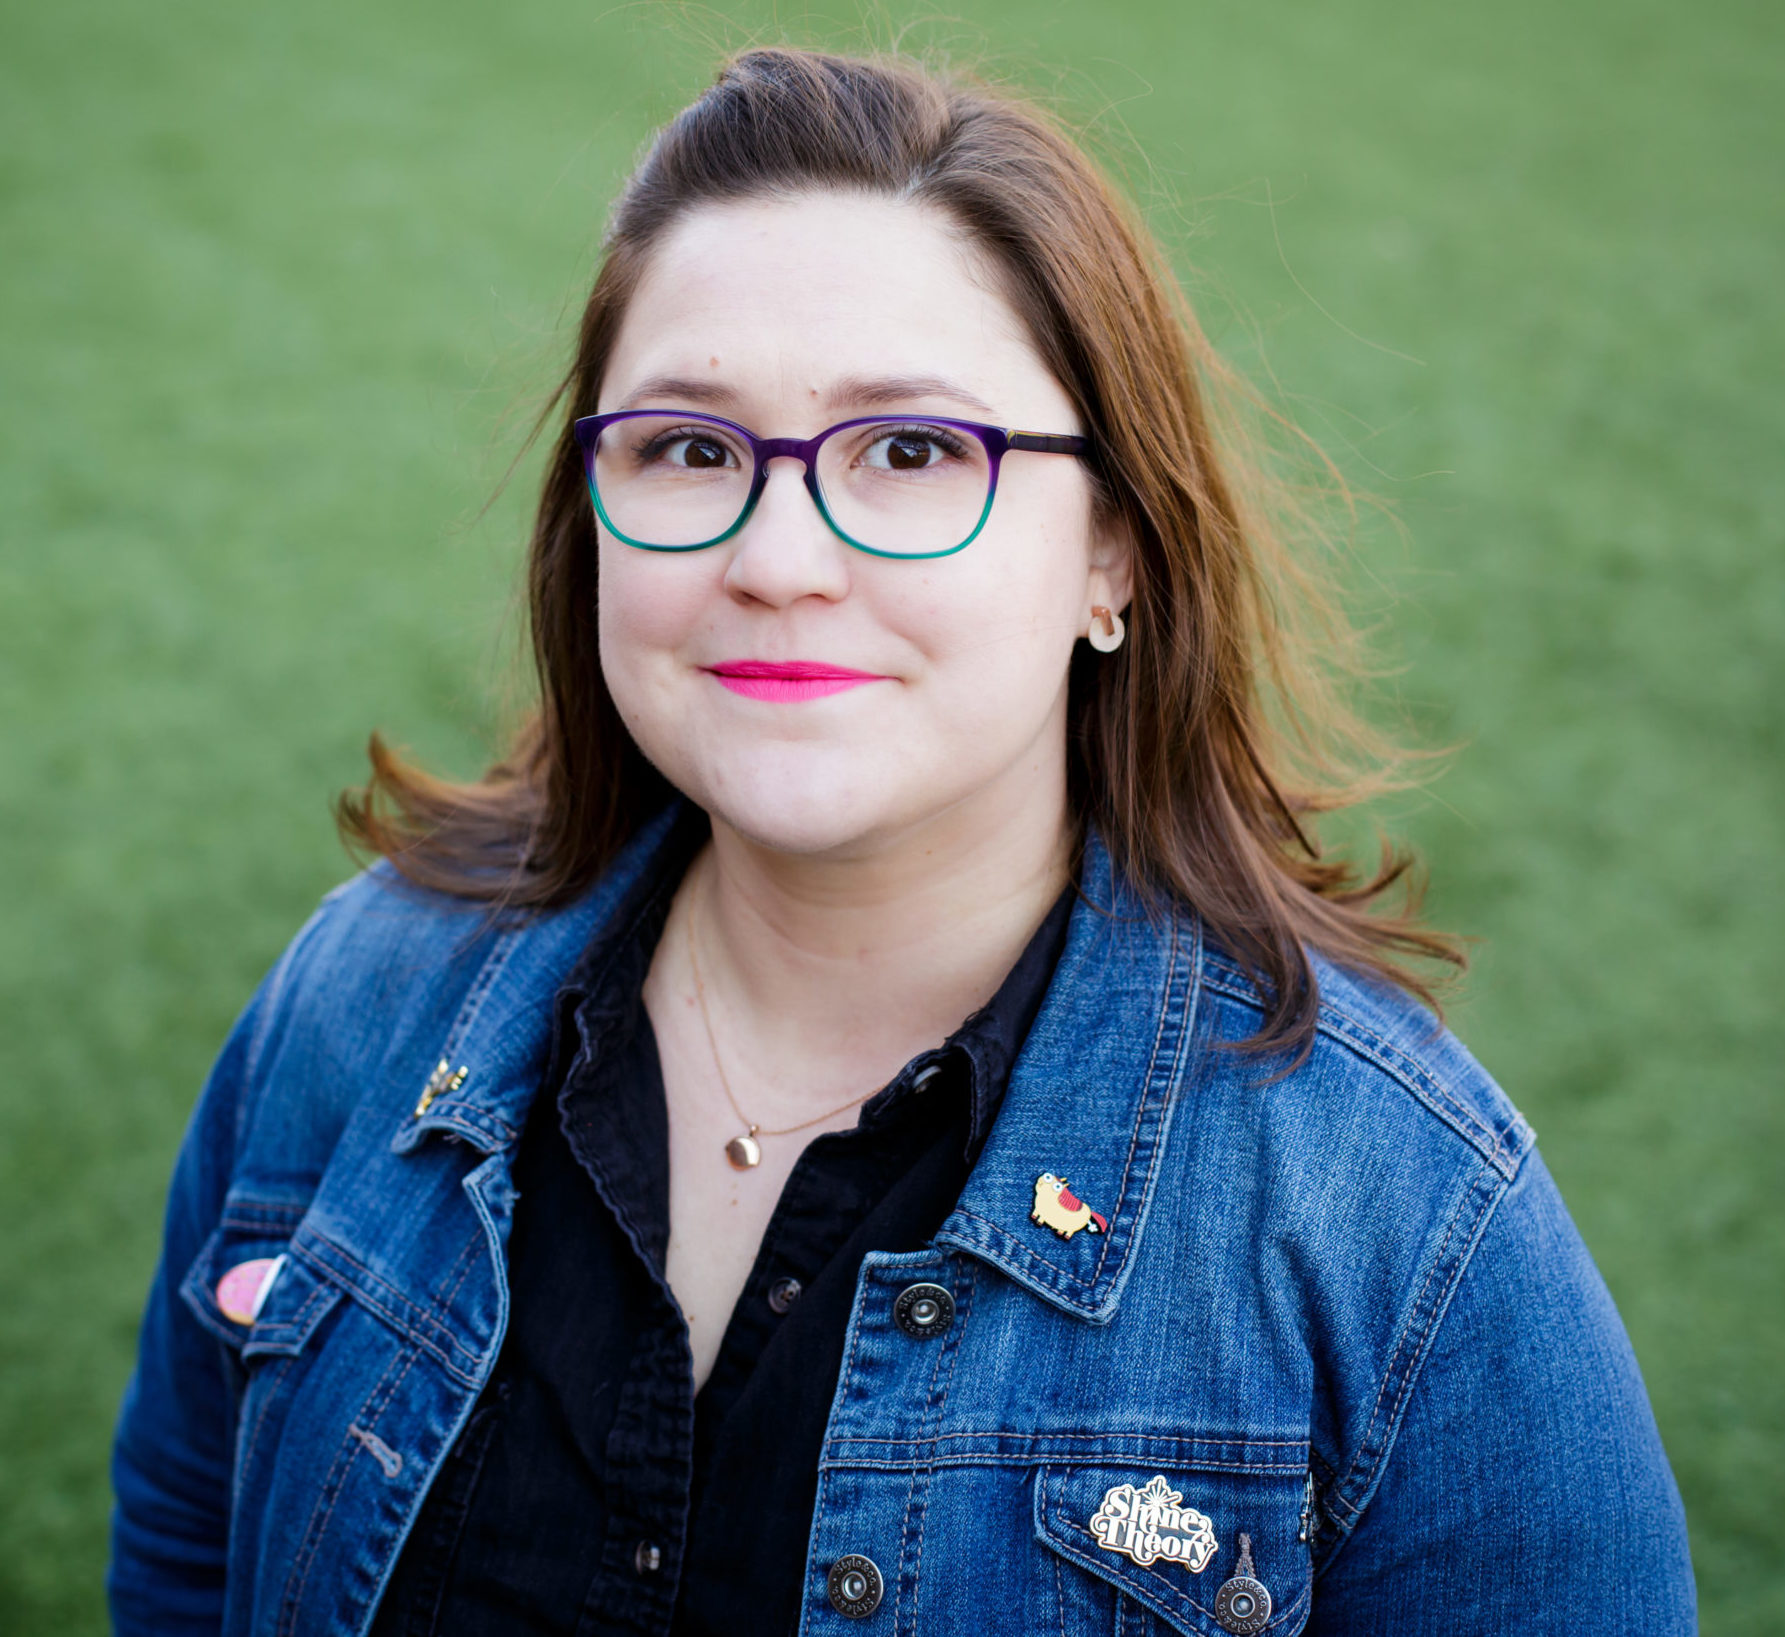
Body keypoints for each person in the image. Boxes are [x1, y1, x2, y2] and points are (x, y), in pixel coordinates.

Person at [107, 45, 1694, 1637]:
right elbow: (191, 1541)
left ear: (1113, 556)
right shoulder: (363, 995)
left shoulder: (1395, 1208)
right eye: (686, 448)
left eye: (915, 452)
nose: (776, 553)